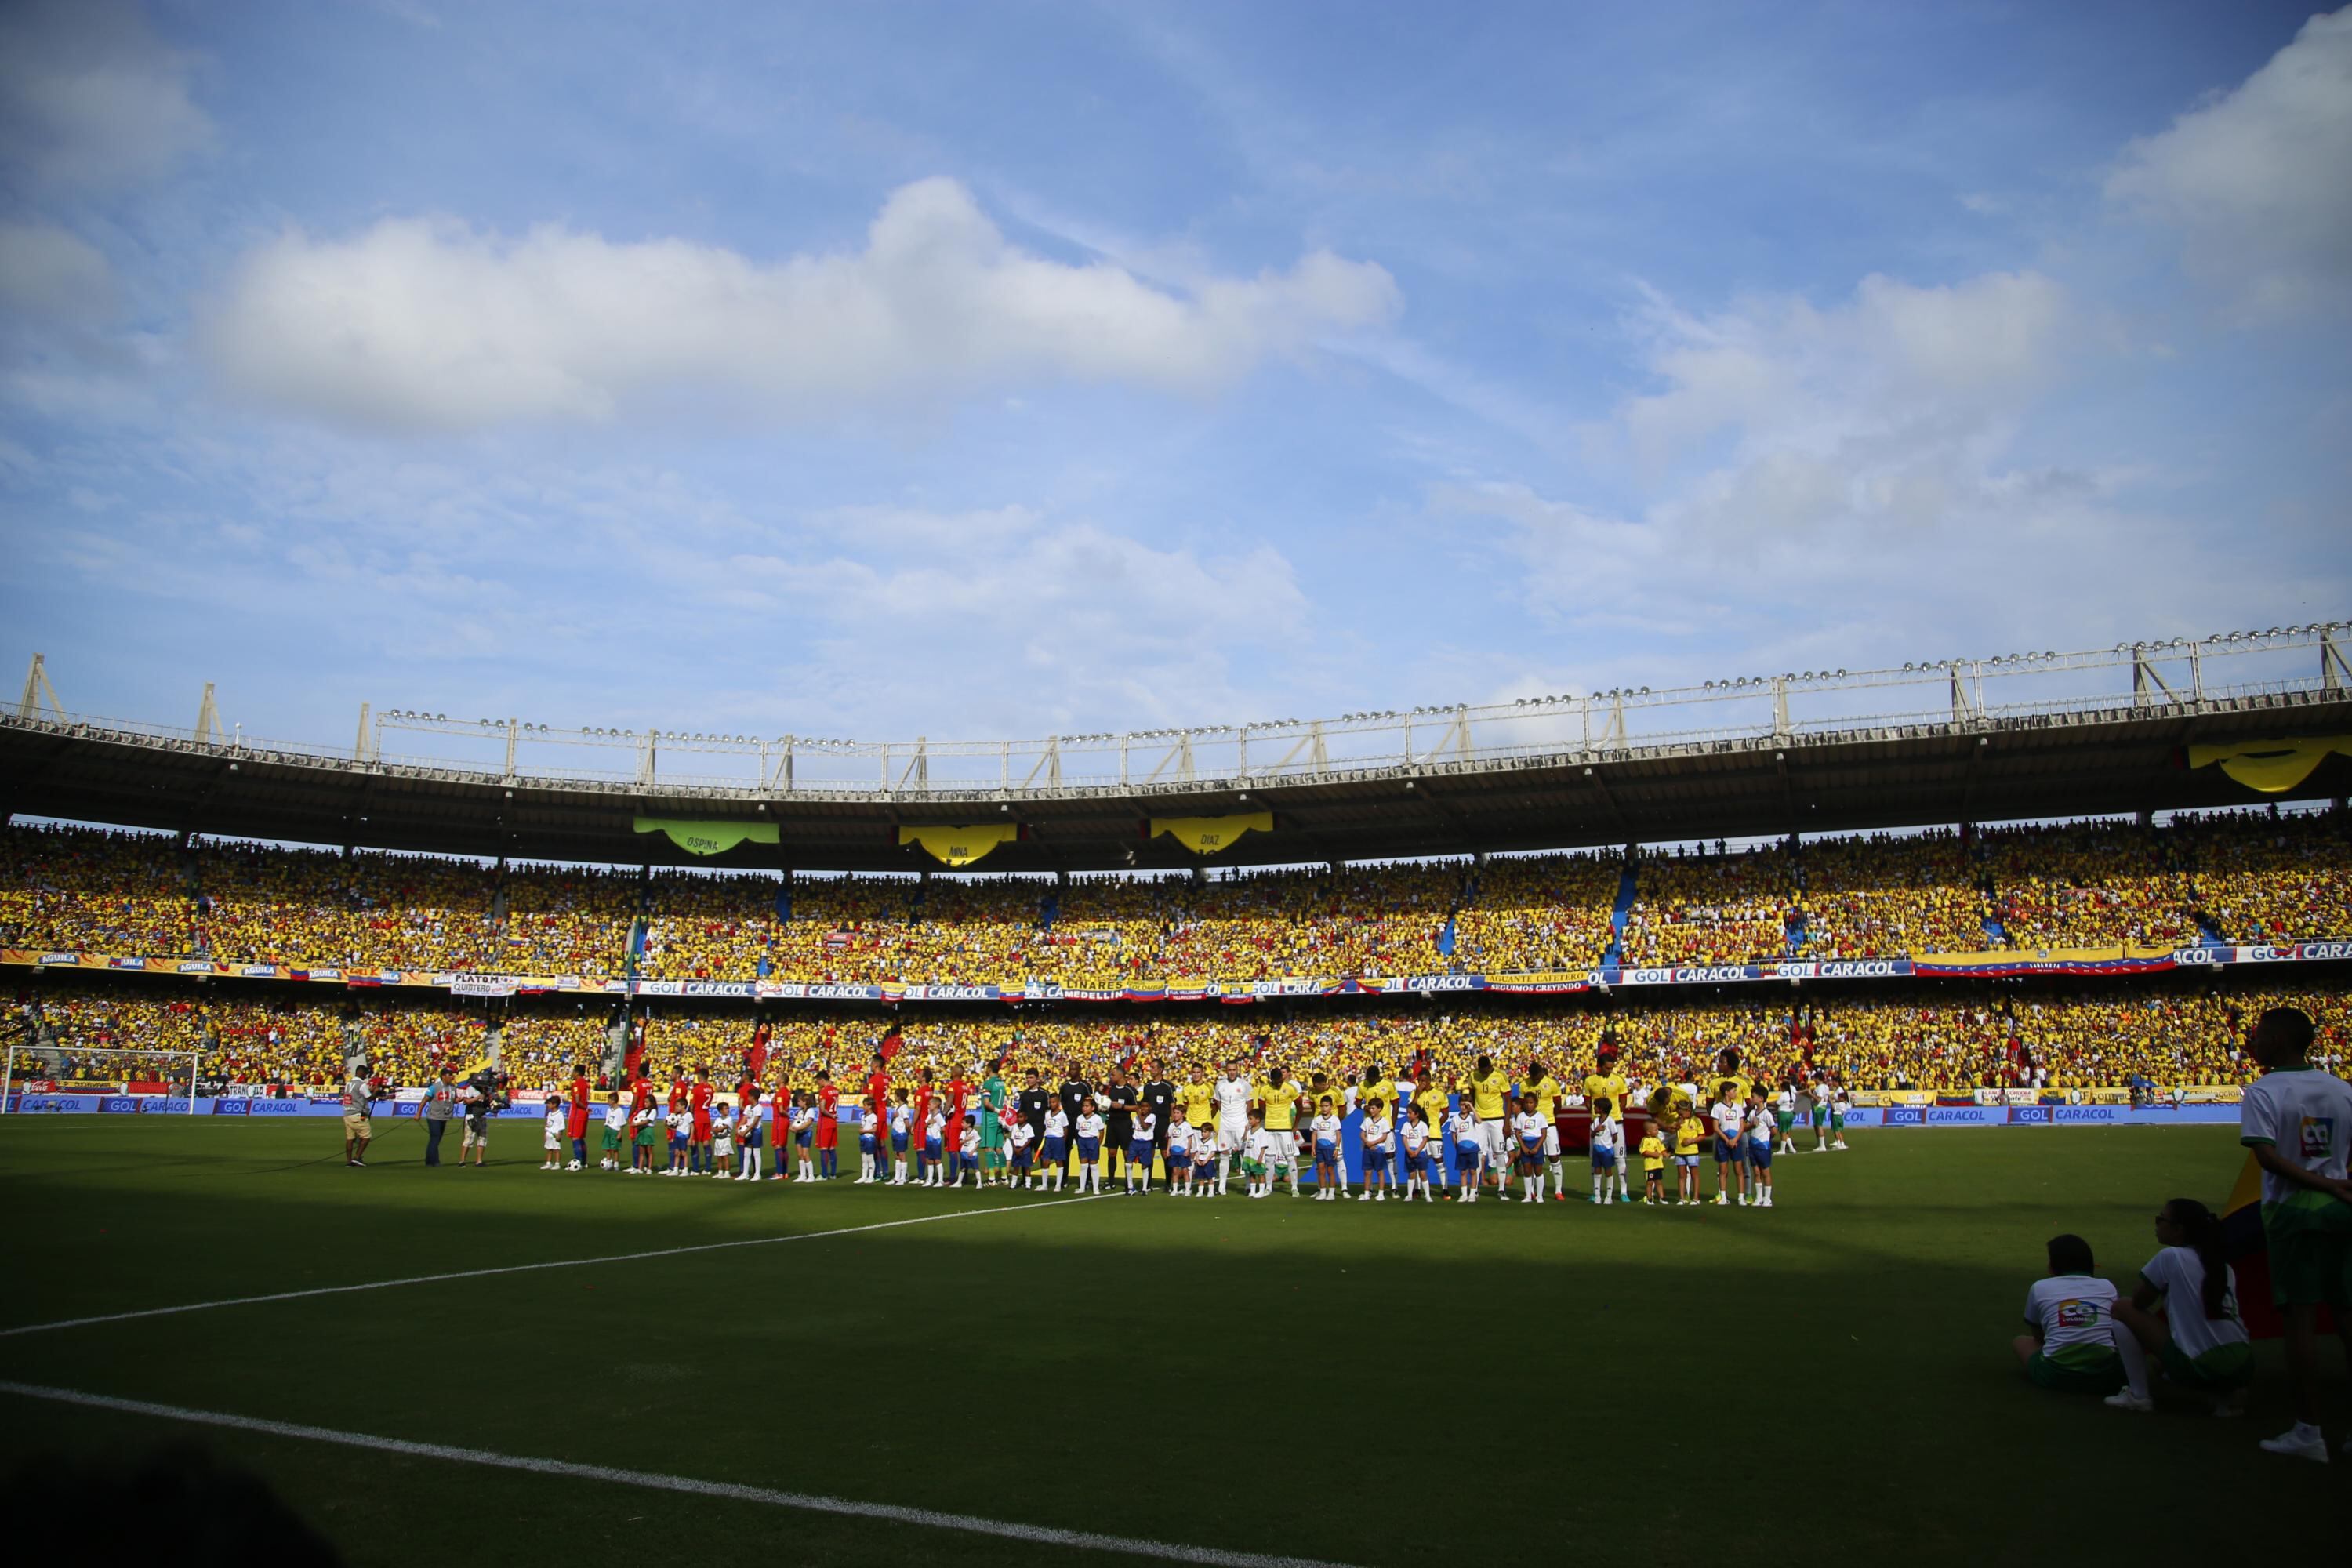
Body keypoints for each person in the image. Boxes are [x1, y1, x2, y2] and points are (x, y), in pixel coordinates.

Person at [2237, 1006, 2352, 1461]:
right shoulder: (2341, 1089)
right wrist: (2337, 1181)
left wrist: (2320, 1181)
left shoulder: (2265, 1091)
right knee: (2347, 1315)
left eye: (2260, 1035)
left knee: (2299, 1322)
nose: (2253, 1042)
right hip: (2342, 1211)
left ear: (2281, 1040)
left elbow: (2265, 1157)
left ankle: (2309, 1430)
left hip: (2292, 1214)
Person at [2104, 1197, 2251, 1416]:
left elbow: (2139, 1301)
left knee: (2122, 1308)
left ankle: (2138, 1395)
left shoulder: (2171, 1256)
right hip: (2243, 1363)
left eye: (2160, 1219)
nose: (2157, 1224)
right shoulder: (2223, 1266)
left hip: (2201, 1364)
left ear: (2178, 1230)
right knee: (2164, 1366)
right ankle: (2227, 1394)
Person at [2013, 1233, 2125, 1396]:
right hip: (2107, 1376)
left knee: (2020, 1342)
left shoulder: (2040, 1287)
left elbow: (2038, 1335)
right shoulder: (2107, 1286)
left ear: (2053, 1264)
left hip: (2056, 1375)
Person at [1213, 1058, 1252, 1196]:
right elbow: (1217, 1102)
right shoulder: (1220, 1085)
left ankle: (1248, 1185)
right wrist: (1224, 1113)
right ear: (1226, 1071)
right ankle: (1221, 1187)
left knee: (1244, 1153)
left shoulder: (1244, 1085)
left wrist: (1247, 1122)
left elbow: (1250, 1103)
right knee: (1224, 1153)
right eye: (1229, 1070)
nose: (1232, 1072)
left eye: (1234, 1070)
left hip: (1240, 1122)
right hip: (1225, 1123)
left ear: (1238, 1070)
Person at [1710, 1083, 1745, 1207]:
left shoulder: (1738, 1107)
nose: (1736, 1093)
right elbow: (1716, 1127)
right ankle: (1723, 1197)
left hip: (1736, 1140)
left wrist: (1735, 1139)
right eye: (1734, 1091)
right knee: (1723, 1170)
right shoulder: (1717, 1107)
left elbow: (1742, 1126)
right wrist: (1727, 1140)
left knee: (1739, 1170)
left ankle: (1741, 1197)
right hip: (1723, 1140)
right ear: (1726, 1092)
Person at [1510, 1094, 1548, 1204]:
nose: (1529, 1105)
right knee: (1527, 1170)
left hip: (1537, 1143)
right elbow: (1517, 1133)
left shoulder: (1540, 1116)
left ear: (1536, 1103)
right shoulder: (1521, 1116)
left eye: (1531, 1103)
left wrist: (1537, 1147)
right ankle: (1528, 1195)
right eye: (1526, 1103)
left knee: (1538, 1170)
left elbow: (1544, 1133)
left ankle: (1539, 1196)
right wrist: (1523, 1147)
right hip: (1525, 1143)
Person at [1446, 1100, 1486, 1203]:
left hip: (1472, 1147)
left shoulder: (1472, 1116)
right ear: (1459, 1105)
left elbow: (1479, 1121)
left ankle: (1472, 1194)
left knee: (1473, 1171)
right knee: (1463, 1171)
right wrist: (1456, 1146)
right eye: (1462, 1105)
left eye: (1465, 1105)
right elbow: (1453, 1134)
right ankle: (1464, 1194)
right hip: (1461, 1148)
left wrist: (1472, 1107)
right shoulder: (1455, 1119)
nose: (1463, 1107)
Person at [418, 1067, 457, 1167]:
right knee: (435, 1138)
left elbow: (454, 1099)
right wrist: (418, 1113)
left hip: (445, 1116)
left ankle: (429, 1160)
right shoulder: (434, 1087)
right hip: (434, 1116)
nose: (452, 1077)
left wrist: (459, 1100)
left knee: (436, 1139)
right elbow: (425, 1100)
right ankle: (434, 1161)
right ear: (443, 1076)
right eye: (450, 1075)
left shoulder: (453, 1088)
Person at [1744, 1088, 1775, 1209]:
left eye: (1753, 1096)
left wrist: (1767, 1139)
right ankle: (1759, 1197)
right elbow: (1745, 1127)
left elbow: (1773, 1130)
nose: (1751, 1099)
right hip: (1753, 1146)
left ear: (1761, 1099)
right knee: (1756, 1172)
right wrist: (1751, 1125)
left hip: (1763, 1147)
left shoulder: (1767, 1114)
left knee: (1765, 1172)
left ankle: (1767, 1198)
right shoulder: (1752, 1113)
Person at [1359, 1098, 1395, 1202]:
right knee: (1367, 1172)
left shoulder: (1384, 1122)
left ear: (1379, 1109)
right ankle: (1366, 1193)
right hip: (1368, 1149)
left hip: (1379, 1149)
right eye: (1370, 1108)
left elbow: (1384, 1137)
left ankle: (1381, 1193)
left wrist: (1373, 1143)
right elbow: (1362, 1133)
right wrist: (1367, 1142)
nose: (1371, 1110)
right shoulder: (1367, 1120)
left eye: (1373, 1108)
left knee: (1380, 1171)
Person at [341, 1058, 373, 1168]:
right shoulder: (362, 1085)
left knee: (350, 1138)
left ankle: (349, 1161)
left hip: (347, 1113)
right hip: (358, 1113)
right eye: (365, 1074)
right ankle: (357, 1157)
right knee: (366, 1136)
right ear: (361, 1073)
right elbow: (369, 1097)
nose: (366, 1076)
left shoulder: (349, 1084)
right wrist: (377, 1091)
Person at [1311, 1096, 1345, 1200]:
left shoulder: (1335, 1120)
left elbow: (1338, 1134)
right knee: (1321, 1170)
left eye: (1327, 1106)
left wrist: (1337, 1148)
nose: (1324, 1108)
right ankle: (1322, 1192)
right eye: (1322, 1106)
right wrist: (1313, 1148)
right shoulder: (1317, 1119)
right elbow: (1314, 1134)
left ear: (1331, 1107)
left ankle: (1331, 1192)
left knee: (1330, 1170)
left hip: (1330, 1148)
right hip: (1319, 1148)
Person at [1399, 1105, 1435, 1203]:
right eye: (1407, 1112)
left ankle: (1427, 1195)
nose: (1408, 1115)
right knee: (1411, 1174)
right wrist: (1409, 1150)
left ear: (1417, 1114)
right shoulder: (1406, 1125)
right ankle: (1409, 1195)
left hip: (1420, 1153)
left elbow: (1425, 1139)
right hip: (1409, 1153)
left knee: (1423, 1174)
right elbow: (1404, 1138)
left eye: (1410, 1113)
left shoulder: (1423, 1125)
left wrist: (1418, 1151)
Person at [1075, 1097, 1107, 1195]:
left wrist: (1098, 1143)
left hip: (1092, 1141)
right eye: (1083, 1106)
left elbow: (1102, 1131)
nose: (1084, 1108)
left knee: (1094, 1166)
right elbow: (1078, 1130)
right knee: (1083, 1166)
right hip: (1082, 1141)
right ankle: (1082, 1188)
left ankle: (1096, 1188)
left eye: (1087, 1106)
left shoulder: (1097, 1118)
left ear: (1093, 1108)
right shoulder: (1080, 1118)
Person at [1126, 1105, 1156, 1196]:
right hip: (1135, 1142)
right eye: (1141, 1107)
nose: (1143, 1109)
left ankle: (1144, 1188)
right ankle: (1131, 1187)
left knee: (1144, 1165)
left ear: (1150, 1108)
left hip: (1146, 1143)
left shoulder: (1152, 1117)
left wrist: (1139, 1115)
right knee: (1128, 1163)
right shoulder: (1136, 1118)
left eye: (1146, 1107)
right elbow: (1134, 1129)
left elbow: (1145, 1127)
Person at [1041, 1099, 1070, 1193]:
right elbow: (1046, 1127)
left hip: (1058, 1139)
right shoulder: (1047, 1114)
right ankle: (1044, 1185)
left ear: (1058, 1103)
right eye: (1050, 1102)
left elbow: (1065, 1129)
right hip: (1048, 1139)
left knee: (1059, 1161)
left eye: (1053, 1102)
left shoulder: (1062, 1115)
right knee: (1045, 1161)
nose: (1051, 1104)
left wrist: (1063, 1141)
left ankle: (1058, 1185)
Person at [566, 1064, 592, 1170]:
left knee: (575, 1137)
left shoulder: (576, 1084)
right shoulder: (586, 1084)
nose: (572, 1073)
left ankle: (578, 1163)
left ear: (577, 1072)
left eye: (573, 1071)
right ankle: (584, 1162)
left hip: (578, 1113)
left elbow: (577, 1100)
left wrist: (584, 1108)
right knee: (580, 1138)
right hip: (584, 1114)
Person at [1639, 1121, 1667, 1205]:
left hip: (1658, 1165)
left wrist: (1666, 1154)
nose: (1657, 1131)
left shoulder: (1658, 1140)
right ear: (1648, 1132)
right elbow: (1643, 1151)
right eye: (1655, 1130)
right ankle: (1649, 1199)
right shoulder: (1645, 1140)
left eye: (1657, 1129)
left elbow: (1662, 1149)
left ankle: (1662, 1198)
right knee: (1650, 1183)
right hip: (1650, 1166)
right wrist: (1653, 1154)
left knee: (1659, 1182)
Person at [600, 1091, 626, 1171]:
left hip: (615, 1131)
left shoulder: (619, 1111)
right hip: (608, 1129)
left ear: (613, 1101)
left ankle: (616, 1164)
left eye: (609, 1100)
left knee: (615, 1149)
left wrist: (620, 1133)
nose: (607, 1102)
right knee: (607, 1148)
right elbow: (608, 1119)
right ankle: (608, 1163)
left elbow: (622, 1123)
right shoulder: (609, 1110)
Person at [541, 1094, 565, 1171]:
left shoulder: (560, 1114)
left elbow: (562, 1125)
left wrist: (560, 1133)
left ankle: (557, 1164)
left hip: (555, 1135)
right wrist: (546, 1133)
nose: (548, 1105)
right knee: (549, 1149)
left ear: (554, 1105)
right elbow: (548, 1124)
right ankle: (548, 1163)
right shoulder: (550, 1114)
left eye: (549, 1104)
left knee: (556, 1150)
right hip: (549, 1134)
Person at [712, 1102, 736, 1179]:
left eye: (728, 1108)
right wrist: (715, 1130)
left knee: (725, 1156)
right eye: (725, 1109)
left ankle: (727, 1172)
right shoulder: (718, 1119)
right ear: (720, 1111)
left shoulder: (729, 1119)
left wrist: (718, 1129)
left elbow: (725, 1127)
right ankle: (720, 1172)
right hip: (718, 1140)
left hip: (726, 1139)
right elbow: (714, 1128)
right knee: (719, 1157)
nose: (727, 1110)